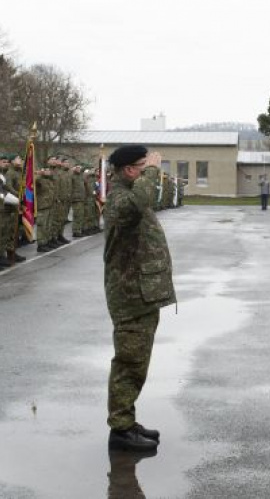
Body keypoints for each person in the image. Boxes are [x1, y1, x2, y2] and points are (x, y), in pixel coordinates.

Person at [104, 145, 176, 452]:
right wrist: (153, 171)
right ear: (129, 170)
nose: (148, 172)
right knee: (129, 363)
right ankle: (120, 429)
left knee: (137, 363)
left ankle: (127, 421)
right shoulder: (120, 197)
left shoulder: (132, 192)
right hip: (130, 295)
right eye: (143, 167)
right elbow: (137, 204)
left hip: (142, 293)